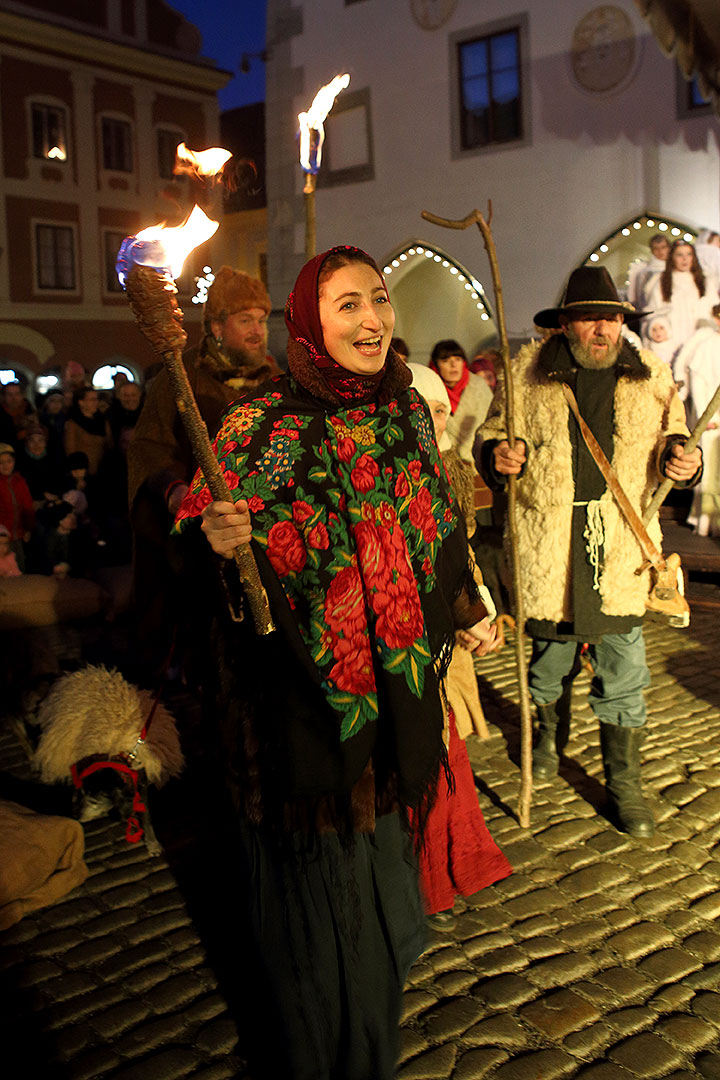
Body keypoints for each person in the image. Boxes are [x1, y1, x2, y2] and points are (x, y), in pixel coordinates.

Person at [173, 246, 494, 1079]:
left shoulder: (409, 413)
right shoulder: (258, 426)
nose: (372, 319)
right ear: (308, 324)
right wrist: (215, 541)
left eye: (378, 300)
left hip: (395, 717)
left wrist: (465, 613)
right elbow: (191, 548)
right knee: (324, 947)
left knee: (390, 921)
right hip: (302, 723)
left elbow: (437, 525)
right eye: (346, 304)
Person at [475, 266, 702, 839]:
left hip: (620, 544)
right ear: (567, 325)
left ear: (622, 322)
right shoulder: (525, 374)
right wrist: (498, 456)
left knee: (624, 671)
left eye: (611, 317)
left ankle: (623, 784)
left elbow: (674, 437)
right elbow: (493, 435)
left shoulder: (651, 375)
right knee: (550, 662)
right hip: (550, 541)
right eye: (589, 318)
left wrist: (682, 458)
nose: (602, 328)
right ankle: (548, 737)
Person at [127, 266, 279, 678]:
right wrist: (176, 493)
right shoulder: (179, 378)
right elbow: (147, 447)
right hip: (203, 542)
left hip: (268, 540)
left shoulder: (276, 381)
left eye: (262, 320)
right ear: (215, 325)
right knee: (214, 661)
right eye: (245, 319)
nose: (257, 330)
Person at [407, 362, 512, 930]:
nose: (443, 417)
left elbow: (461, 558)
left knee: (449, 753)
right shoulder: (400, 472)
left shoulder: (450, 466)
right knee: (423, 754)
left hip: (450, 626)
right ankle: (425, 879)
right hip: (413, 633)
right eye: (432, 408)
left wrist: (482, 613)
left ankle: (458, 861)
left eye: (446, 407)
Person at [673, 302, 720, 536]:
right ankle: (706, 522)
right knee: (711, 471)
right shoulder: (708, 345)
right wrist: (705, 417)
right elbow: (700, 383)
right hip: (714, 423)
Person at [647, 239, 718, 364]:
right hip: (673, 343)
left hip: (700, 341)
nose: (684, 259)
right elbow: (653, 313)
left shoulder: (705, 281)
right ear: (672, 257)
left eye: (688, 254)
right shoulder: (662, 282)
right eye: (680, 255)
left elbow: (714, 310)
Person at [429, 339, 492, 462]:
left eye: (457, 359)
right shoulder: (430, 390)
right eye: (445, 361)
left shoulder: (479, 387)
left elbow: (491, 425)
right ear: (436, 365)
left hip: (478, 462)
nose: (453, 365)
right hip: (442, 462)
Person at [0, 443, 35, 571]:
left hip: (18, 533)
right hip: (3, 535)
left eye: (9, 461)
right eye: (1, 462)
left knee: (19, 565)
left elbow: (28, 507)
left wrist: (28, 528)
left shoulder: (20, 482)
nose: (5, 465)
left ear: (14, 461)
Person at [64, 387, 112, 476]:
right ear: (81, 402)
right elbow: (70, 450)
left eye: (96, 399)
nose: (96, 402)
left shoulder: (102, 421)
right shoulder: (73, 424)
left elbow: (109, 444)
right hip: (83, 472)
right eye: (92, 400)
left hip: (102, 470)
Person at [626, 233, 670, 311]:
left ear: (669, 248)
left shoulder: (677, 269)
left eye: (663, 247)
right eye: (656, 248)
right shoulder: (645, 273)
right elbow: (640, 297)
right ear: (652, 250)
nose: (660, 251)